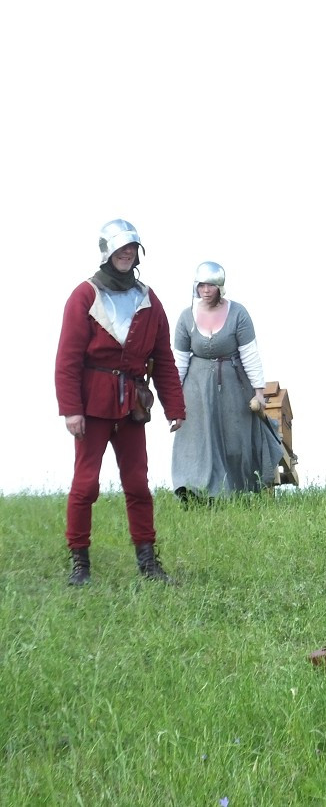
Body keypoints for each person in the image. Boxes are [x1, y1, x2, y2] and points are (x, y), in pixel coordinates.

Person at [54, 219, 186, 586]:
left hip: (132, 408)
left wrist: (175, 407)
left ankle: (148, 563)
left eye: (132, 248)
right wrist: (72, 409)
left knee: (138, 485)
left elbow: (163, 357)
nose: (127, 254)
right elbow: (67, 359)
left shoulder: (148, 298)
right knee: (85, 485)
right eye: (120, 248)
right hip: (92, 406)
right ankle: (80, 564)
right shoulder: (84, 296)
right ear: (107, 252)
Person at [171, 262, 283, 499]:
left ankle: (234, 490)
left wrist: (259, 393)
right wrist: (174, 400)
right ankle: (193, 491)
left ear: (220, 286)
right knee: (195, 440)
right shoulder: (186, 317)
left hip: (233, 385)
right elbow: (179, 362)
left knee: (234, 443)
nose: (205, 290)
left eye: (210, 285)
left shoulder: (238, 313)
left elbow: (250, 354)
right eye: (201, 285)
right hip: (196, 389)